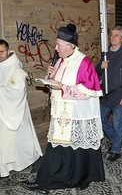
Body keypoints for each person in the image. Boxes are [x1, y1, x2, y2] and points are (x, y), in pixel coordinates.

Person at [22, 24, 105, 194]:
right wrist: (50, 78)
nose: (56, 48)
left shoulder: (83, 63)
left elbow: (89, 92)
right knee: (64, 149)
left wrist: (63, 87)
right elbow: (56, 85)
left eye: (59, 45)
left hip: (76, 113)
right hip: (61, 113)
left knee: (73, 149)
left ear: (70, 46)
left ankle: (52, 181)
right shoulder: (60, 60)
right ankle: (56, 179)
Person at [0, 39, 42, 179]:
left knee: (22, 139)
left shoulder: (15, 67)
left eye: (1, 52)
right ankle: (6, 167)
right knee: (6, 142)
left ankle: (36, 160)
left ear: (8, 50)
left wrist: (1, 93)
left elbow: (17, 90)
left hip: (15, 110)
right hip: (3, 111)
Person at [96, 25, 122, 162]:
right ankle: (116, 140)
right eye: (112, 35)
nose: (113, 37)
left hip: (120, 95)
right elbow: (97, 71)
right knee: (101, 121)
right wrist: (101, 66)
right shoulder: (106, 53)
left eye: (116, 35)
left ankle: (116, 149)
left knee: (117, 123)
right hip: (106, 95)